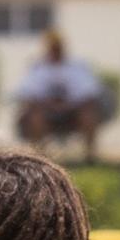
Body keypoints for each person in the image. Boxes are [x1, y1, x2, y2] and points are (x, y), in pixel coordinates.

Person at [14, 30, 106, 163]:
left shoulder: (77, 66)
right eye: (52, 46)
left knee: (89, 114)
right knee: (34, 116)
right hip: (45, 113)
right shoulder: (37, 68)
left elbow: (89, 94)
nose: (55, 50)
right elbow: (29, 95)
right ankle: (39, 156)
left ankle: (90, 156)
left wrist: (67, 106)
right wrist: (49, 105)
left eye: (57, 46)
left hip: (73, 112)